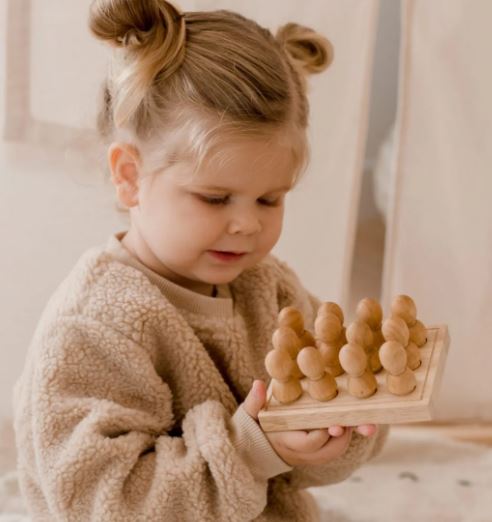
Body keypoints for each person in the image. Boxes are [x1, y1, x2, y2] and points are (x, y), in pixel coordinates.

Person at [13, 1, 388, 520]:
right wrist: (255, 450)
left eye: (269, 199)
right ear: (129, 176)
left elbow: (310, 455)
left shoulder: (268, 287)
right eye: (215, 199)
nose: (247, 225)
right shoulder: (92, 329)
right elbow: (104, 503)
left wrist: (333, 428)